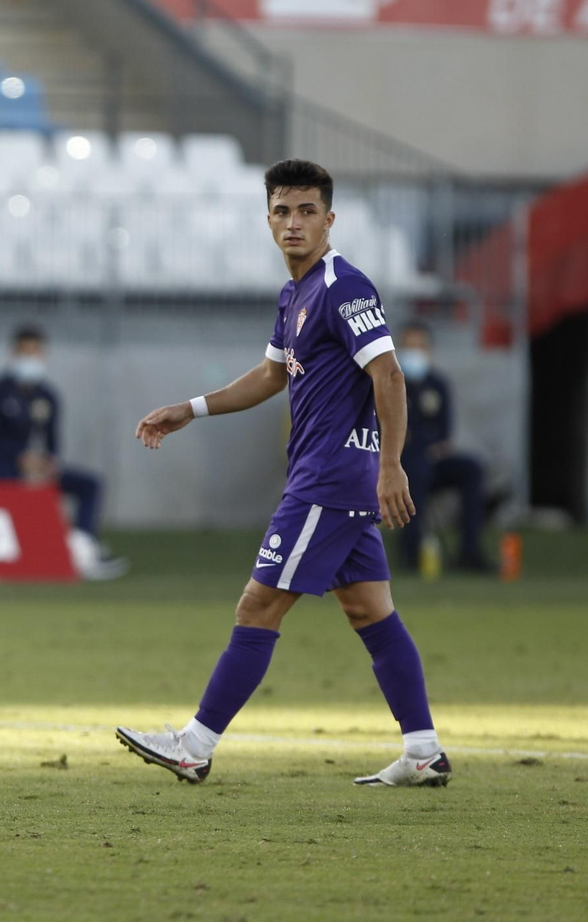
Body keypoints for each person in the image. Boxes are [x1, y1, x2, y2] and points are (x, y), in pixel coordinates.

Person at [117, 159, 451, 788]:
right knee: (369, 610)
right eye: (281, 211)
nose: (293, 223)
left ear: (329, 219)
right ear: (267, 219)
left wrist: (391, 467)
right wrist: (191, 409)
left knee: (258, 604)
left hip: (329, 478)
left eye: (305, 211)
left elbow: (389, 373)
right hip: (333, 477)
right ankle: (423, 749)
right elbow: (273, 375)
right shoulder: (295, 293)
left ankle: (194, 744)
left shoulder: (343, 287)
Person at [0, 325, 124, 578]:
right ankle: (23, 549)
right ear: (13, 353)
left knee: (90, 484)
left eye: (35, 352)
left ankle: (83, 546)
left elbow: (52, 440)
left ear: (44, 354)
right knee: (7, 480)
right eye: (24, 352)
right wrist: (21, 458)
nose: (30, 359)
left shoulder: (47, 395)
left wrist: (49, 463)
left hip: (34, 466)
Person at [398, 322, 492, 573]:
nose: (414, 353)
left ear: (430, 350)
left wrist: (422, 443)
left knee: (472, 469)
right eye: (409, 346)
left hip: (431, 459)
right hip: (398, 466)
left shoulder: (438, 385)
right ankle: (412, 553)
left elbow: (444, 434)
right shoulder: (390, 382)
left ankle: (469, 552)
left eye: (420, 347)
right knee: (415, 469)